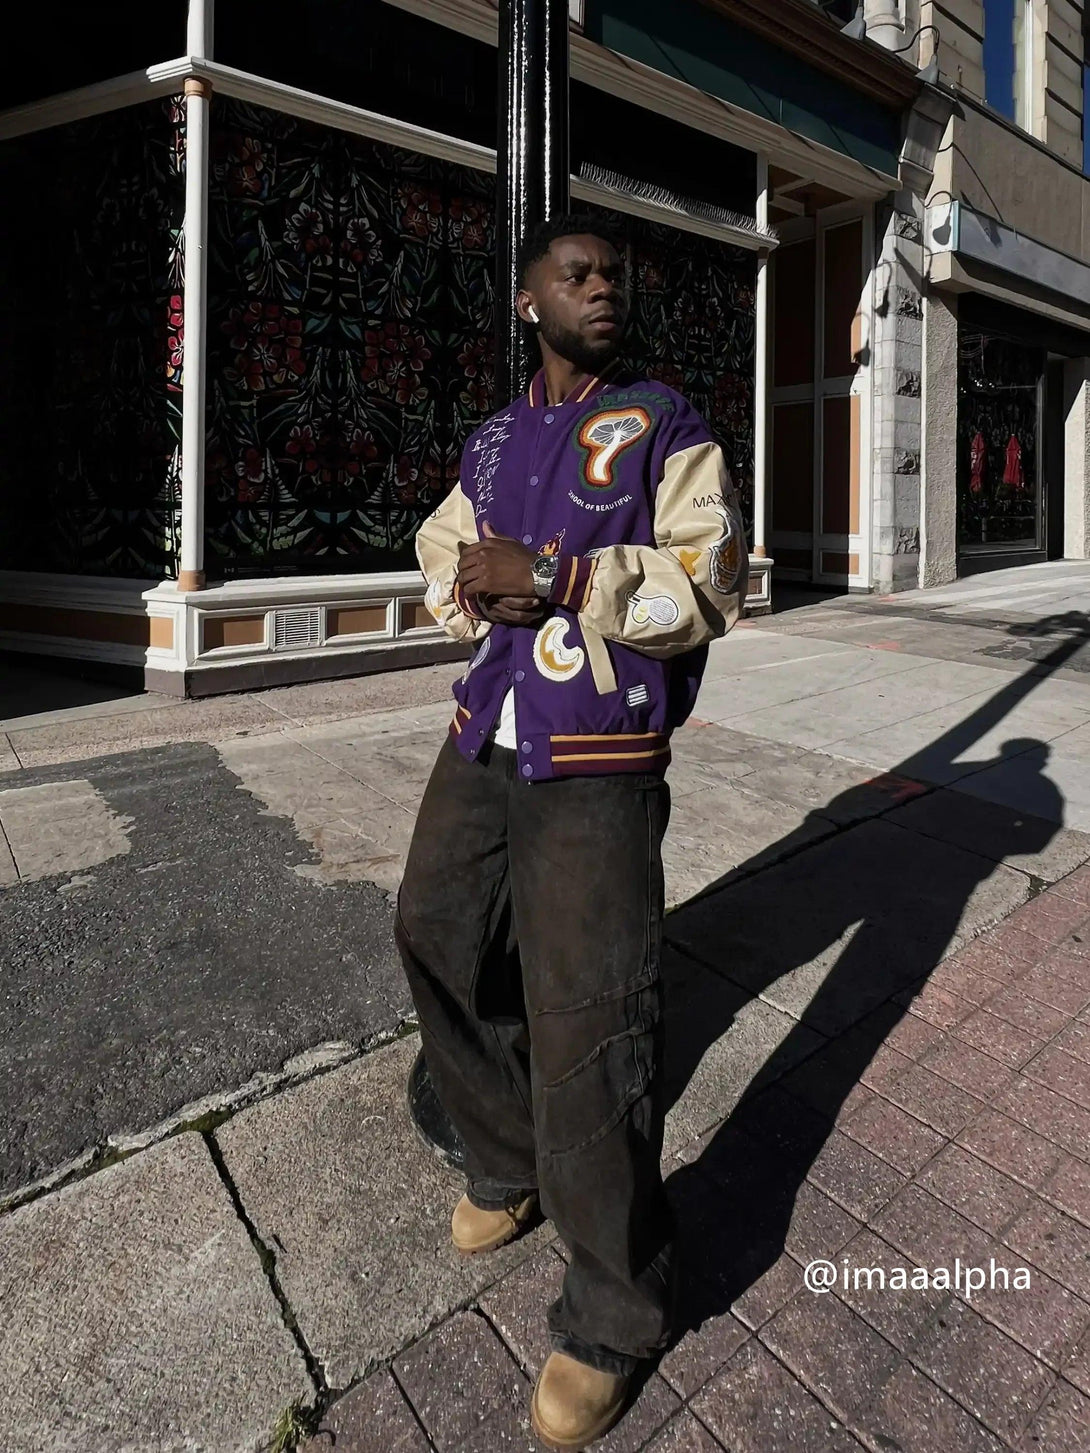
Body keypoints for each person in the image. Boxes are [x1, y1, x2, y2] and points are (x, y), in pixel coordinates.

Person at [395, 214, 748, 1449]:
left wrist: (556, 577)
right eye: (576, 274)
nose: (603, 288)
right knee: (431, 928)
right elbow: (445, 543)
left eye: (613, 276)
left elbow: (711, 583)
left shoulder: (660, 419)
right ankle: (508, 1157)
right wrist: (465, 584)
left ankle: (613, 1313)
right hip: (481, 732)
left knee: (591, 1009)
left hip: (597, 749)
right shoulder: (491, 439)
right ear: (526, 302)